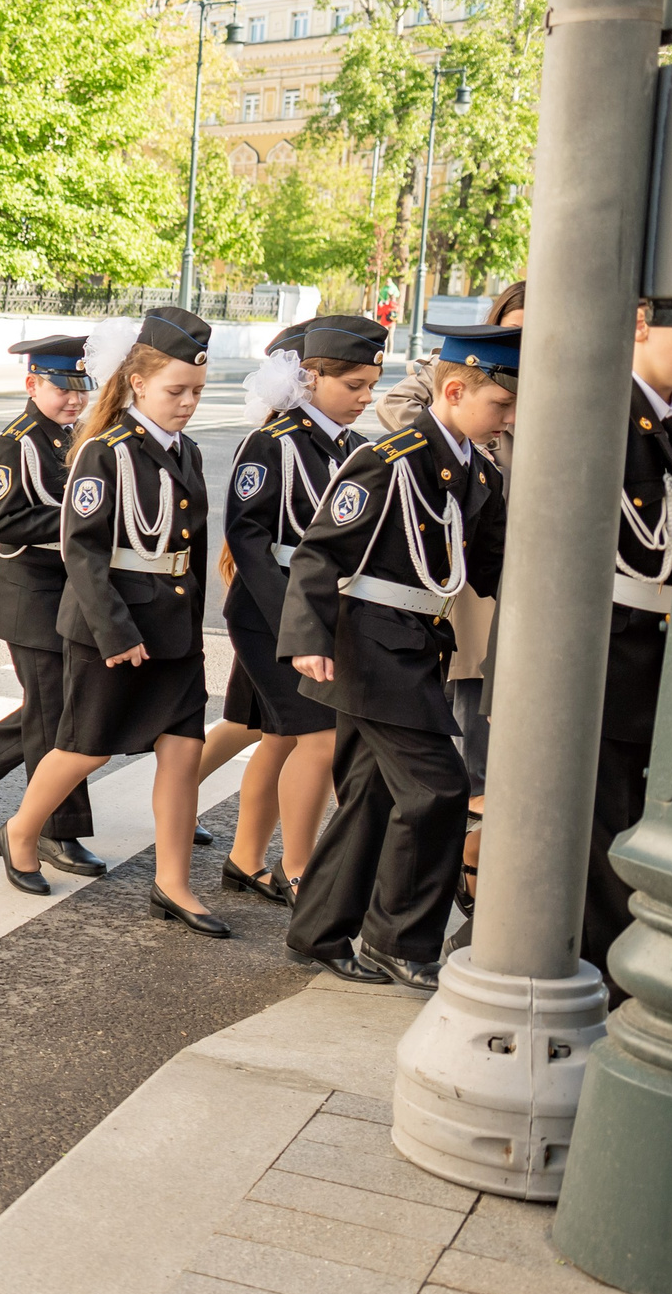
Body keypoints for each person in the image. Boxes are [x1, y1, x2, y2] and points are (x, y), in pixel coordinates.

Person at [279, 320, 515, 991]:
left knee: (372, 795)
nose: (507, 419)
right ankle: (395, 938)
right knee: (439, 788)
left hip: (416, 647)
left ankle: (318, 930)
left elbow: (495, 566)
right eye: (499, 405)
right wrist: (307, 637)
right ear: (455, 389)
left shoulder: (476, 468)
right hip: (372, 649)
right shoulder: (394, 458)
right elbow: (321, 551)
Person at [0, 308, 220, 931]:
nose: (187, 404)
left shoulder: (189, 452)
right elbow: (82, 551)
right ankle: (20, 831)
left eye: (197, 392)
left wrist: (194, 631)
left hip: (173, 631)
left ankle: (172, 883)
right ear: (139, 382)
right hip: (113, 630)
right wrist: (116, 633)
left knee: (181, 754)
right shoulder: (105, 449)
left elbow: (190, 549)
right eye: (176, 391)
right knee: (84, 750)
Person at [210, 316, 386, 904]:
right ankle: (301, 870)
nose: (367, 398)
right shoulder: (273, 441)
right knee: (320, 737)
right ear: (310, 378)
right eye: (355, 386)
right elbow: (249, 536)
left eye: (372, 385)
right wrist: (299, 622)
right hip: (274, 612)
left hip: (324, 611)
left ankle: (245, 857)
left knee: (280, 738)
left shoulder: (356, 447)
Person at [373, 280, 522, 903]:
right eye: (511, 328)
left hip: (518, 581)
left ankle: (463, 872)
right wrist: (466, 413)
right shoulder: (464, 406)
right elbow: (405, 407)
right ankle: (455, 876)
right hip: (464, 596)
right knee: (462, 756)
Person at [0, 337, 106, 872]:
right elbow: (1, 521)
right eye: (62, 388)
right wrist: (80, 528)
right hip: (30, 594)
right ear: (32, 384)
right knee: (58, 714)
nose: (74, 399)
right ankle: (56, 831)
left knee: (62, 709)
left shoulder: (79, 434)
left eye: (82, 388)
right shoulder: (18, 440)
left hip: (70, 592)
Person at [584, 296, 672, 995]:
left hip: (666, 656)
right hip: (604, 650)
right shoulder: (599, 413)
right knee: (599, 825)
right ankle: (605, 969)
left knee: (637, 815)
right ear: (638, 323)